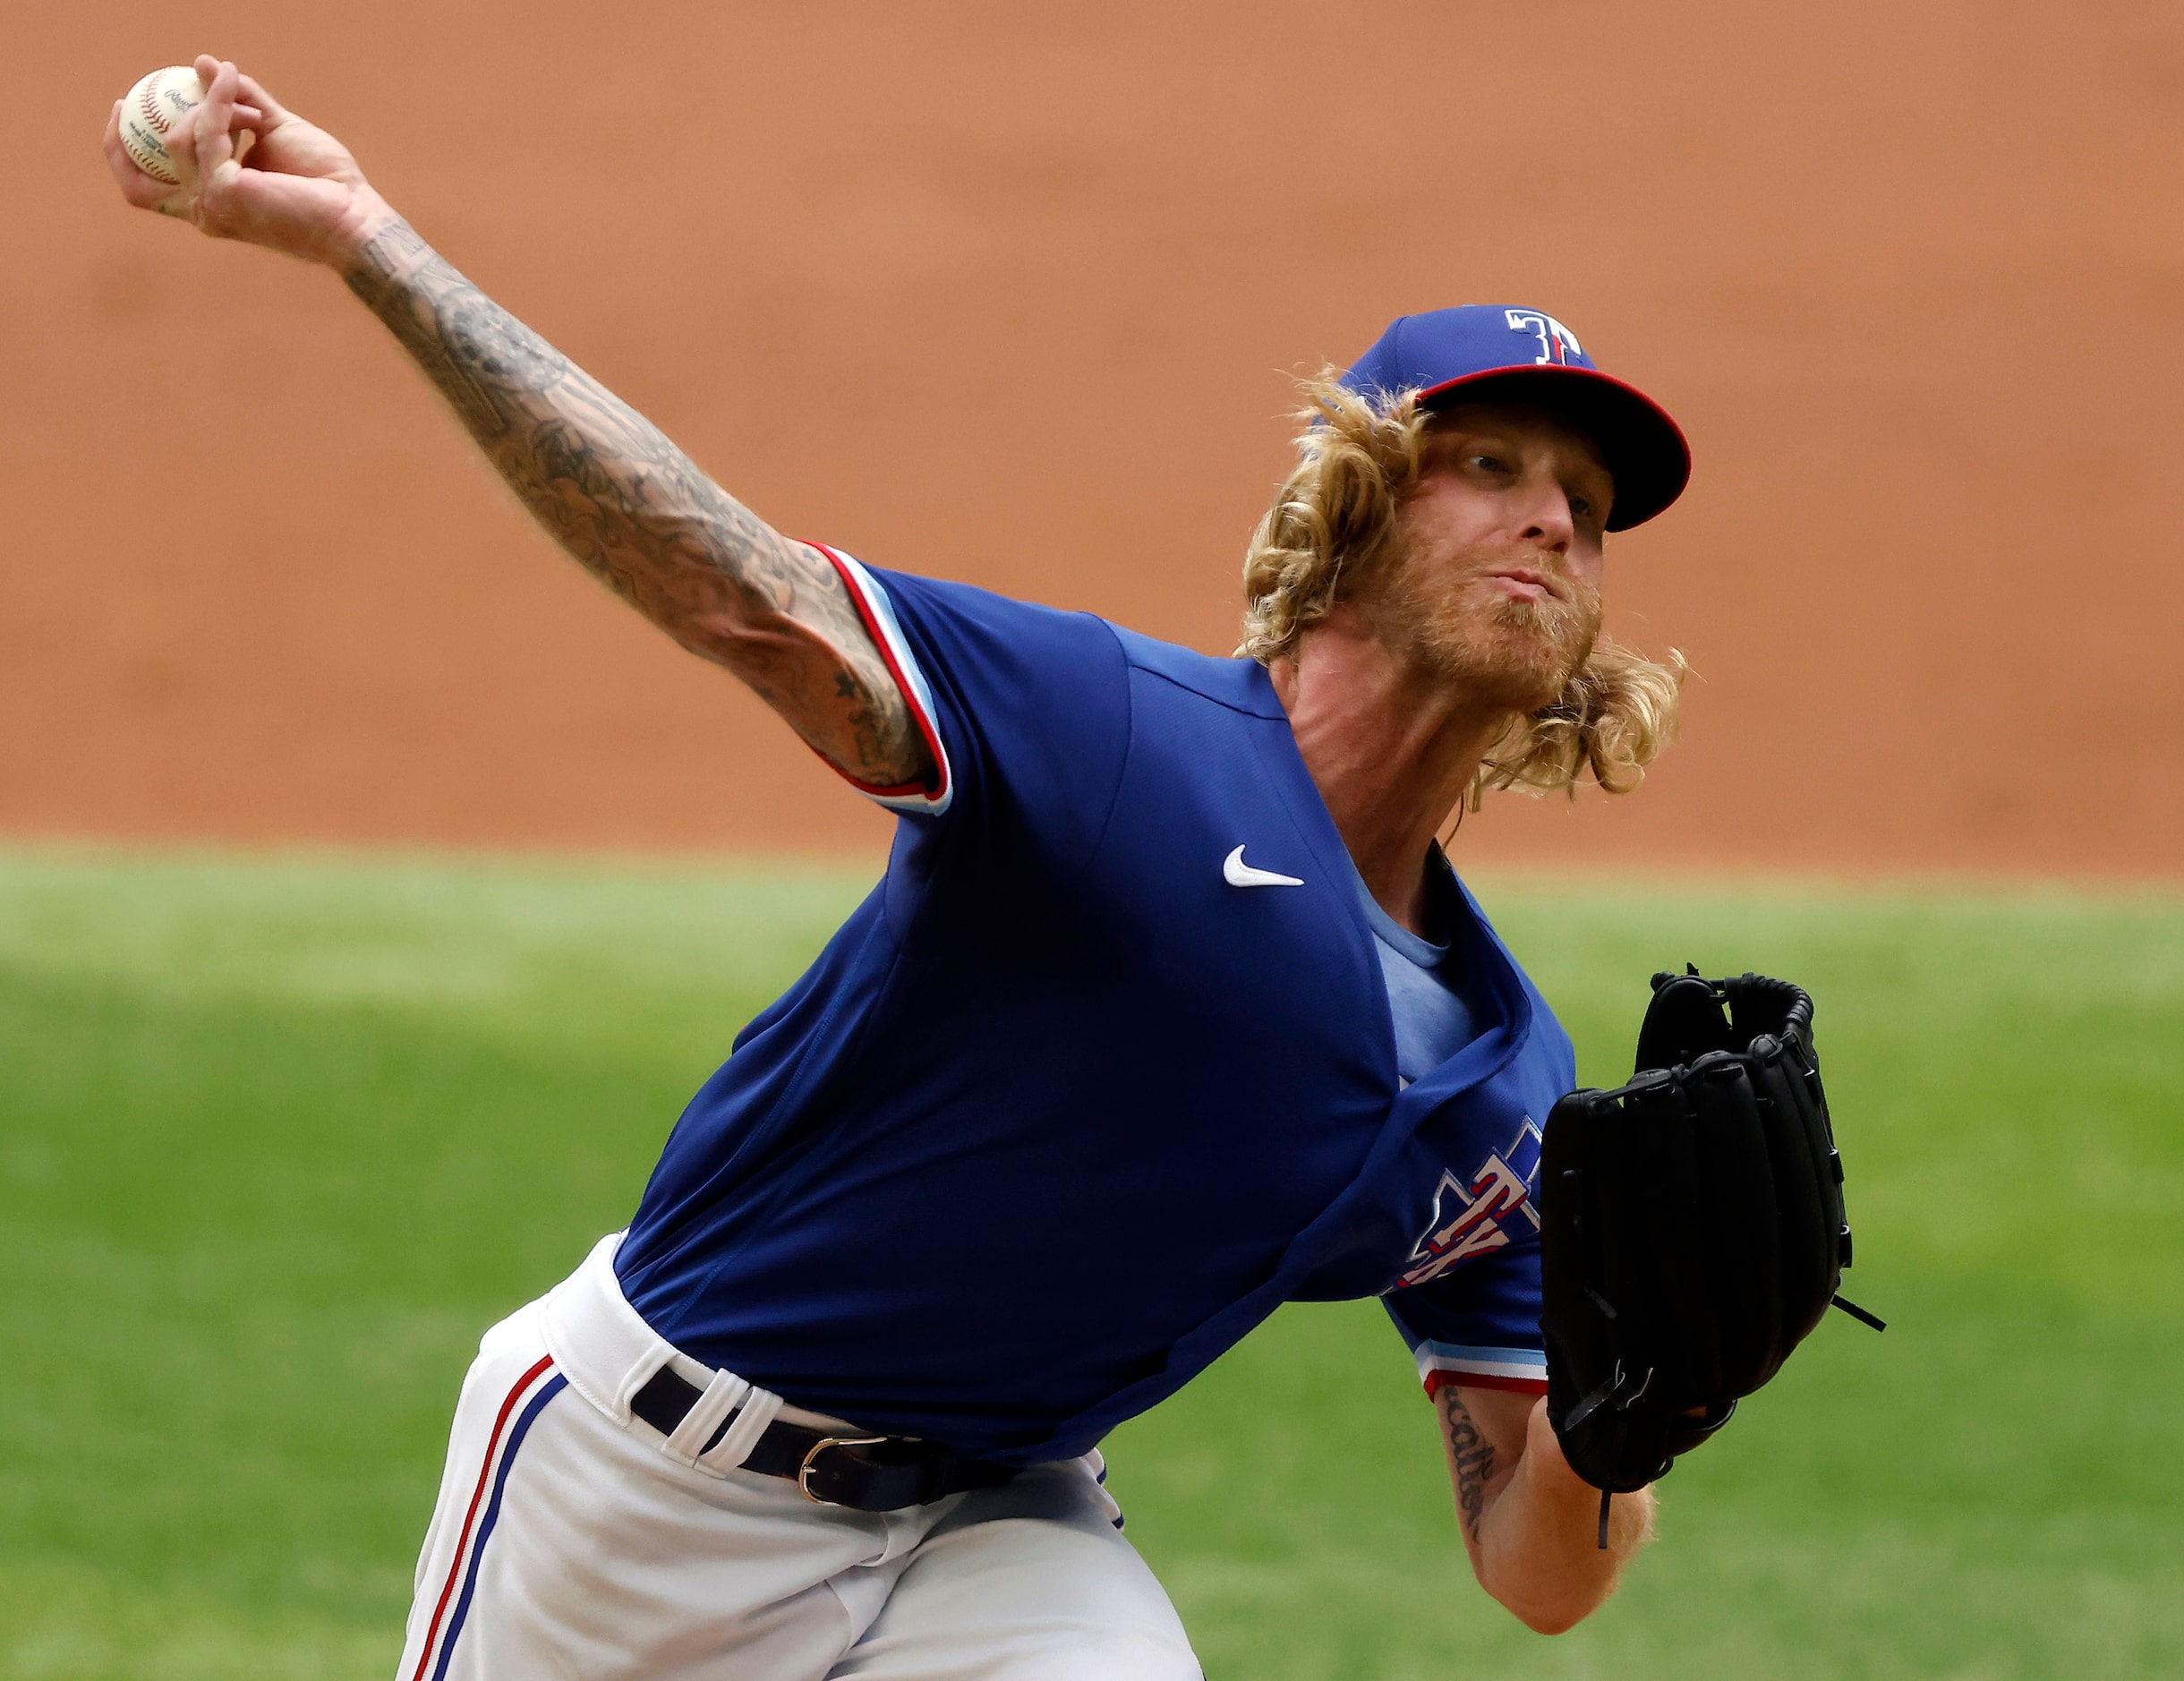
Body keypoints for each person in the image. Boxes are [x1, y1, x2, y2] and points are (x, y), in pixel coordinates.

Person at [107, 56, 1694, 1680]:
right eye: (1490, 466)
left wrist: (1642, 1397)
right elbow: (739, 587)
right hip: (647, 1489)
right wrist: (370, 238)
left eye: (1583, 498)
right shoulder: (1117, 736)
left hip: (1000, 1537)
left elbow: (1540, 1574)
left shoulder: (1506, 1081)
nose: (1556, 521)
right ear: (1353, 507)